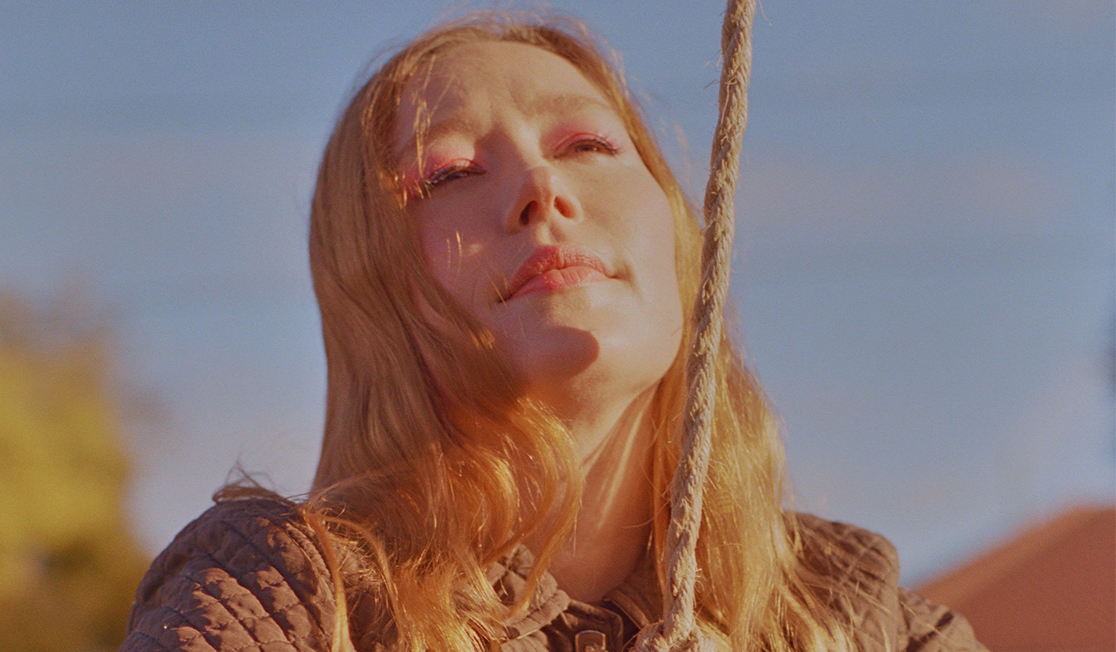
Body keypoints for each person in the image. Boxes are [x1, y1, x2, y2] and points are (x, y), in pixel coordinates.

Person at [122, 11, 985, 652]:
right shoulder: (286, 595)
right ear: (374, 289)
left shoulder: (856, 619)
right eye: (451, 172)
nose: (540, 185)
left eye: (587, 145)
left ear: (685, 236)